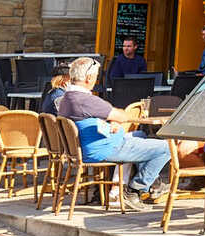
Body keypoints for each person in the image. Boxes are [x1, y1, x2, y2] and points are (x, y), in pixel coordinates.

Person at [56, 57, 170, 209]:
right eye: (96, 76)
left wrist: (111, 122)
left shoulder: (66, 98)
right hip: (104, 149)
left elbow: (93, 118)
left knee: (140, 135)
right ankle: (134, 190)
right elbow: (122, 116)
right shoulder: (85, 100)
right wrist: (115, 119)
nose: (96, 79)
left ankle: (154, 183)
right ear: (89, 78)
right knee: (166, 148)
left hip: (86, 147)